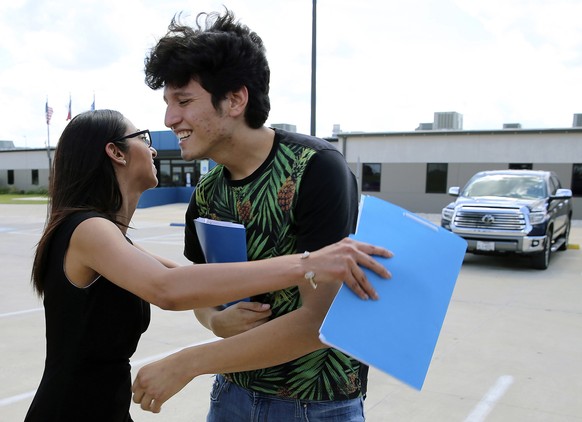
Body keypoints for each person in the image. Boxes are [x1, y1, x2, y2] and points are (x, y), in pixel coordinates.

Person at [24, 109, 392, 422]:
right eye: (142, 137)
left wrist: (215, 319)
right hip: (70, 410)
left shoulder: (106, 237)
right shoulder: (89, 229)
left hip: (102, 407)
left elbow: (181, 278)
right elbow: (166, 290)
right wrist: (308, 263)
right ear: (116, 153)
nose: (152, 146)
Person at [133, 8, 380, 421]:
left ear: (234, 99)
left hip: (315, 405)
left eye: (183, 101)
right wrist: (215, 320)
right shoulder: (208, 192)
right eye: (167, 103)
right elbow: (202, 291)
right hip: (231, 394)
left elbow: (321, 321)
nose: (169, 118)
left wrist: (188, 362)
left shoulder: (315, 169)